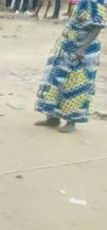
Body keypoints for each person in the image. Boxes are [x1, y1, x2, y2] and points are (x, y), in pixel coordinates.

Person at [35, 0, 105, 133]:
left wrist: (82, 48)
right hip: (67, 45)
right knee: (55, 81)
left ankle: (71, 121)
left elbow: (97, 26)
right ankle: (52, 117)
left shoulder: (97, 1)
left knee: (76, 86)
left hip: (82, 49)